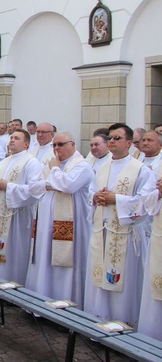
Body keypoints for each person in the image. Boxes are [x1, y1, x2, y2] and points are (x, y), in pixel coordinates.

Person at [84, 123, 154, 327]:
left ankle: (122, 322)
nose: (112, 141)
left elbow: (146, 202)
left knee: (123, 282)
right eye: (111, 138)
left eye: (117, 138)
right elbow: (90, 192)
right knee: (100, 278)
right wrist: (96, 197)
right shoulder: (102, 167)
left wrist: (118, 199)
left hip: (125, 234)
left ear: (130, 143)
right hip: (102, 231)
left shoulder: (141, 170)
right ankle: (99, 317)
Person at [26, 131, 93, 308]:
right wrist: (52, 182)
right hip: (45, 222)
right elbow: (33, 186)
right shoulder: (51, 164)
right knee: (44, 259)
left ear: (73, 144)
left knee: (64, 264)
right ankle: (41, 303)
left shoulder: (82, 166)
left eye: (60, 144)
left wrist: (54, 174)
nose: (56, 148)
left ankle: (66, 306)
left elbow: (68, 186)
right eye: (54, 145)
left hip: (70, 228)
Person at [0, 129, 42, 285]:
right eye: (11, 137)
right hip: (1, 213)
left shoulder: (31, 162)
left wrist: (8, 186)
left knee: (16, 251)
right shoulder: (5, 161)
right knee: (0, 247)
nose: (11, 140)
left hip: (18, 216)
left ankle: (16, 285)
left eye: (16, 138)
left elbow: (34, 190)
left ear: (26, 144)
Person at [138, 136, 162, 340]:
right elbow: (145, 196)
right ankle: (152, 335)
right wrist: (158, 192)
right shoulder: (158, 166)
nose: (145, 143)